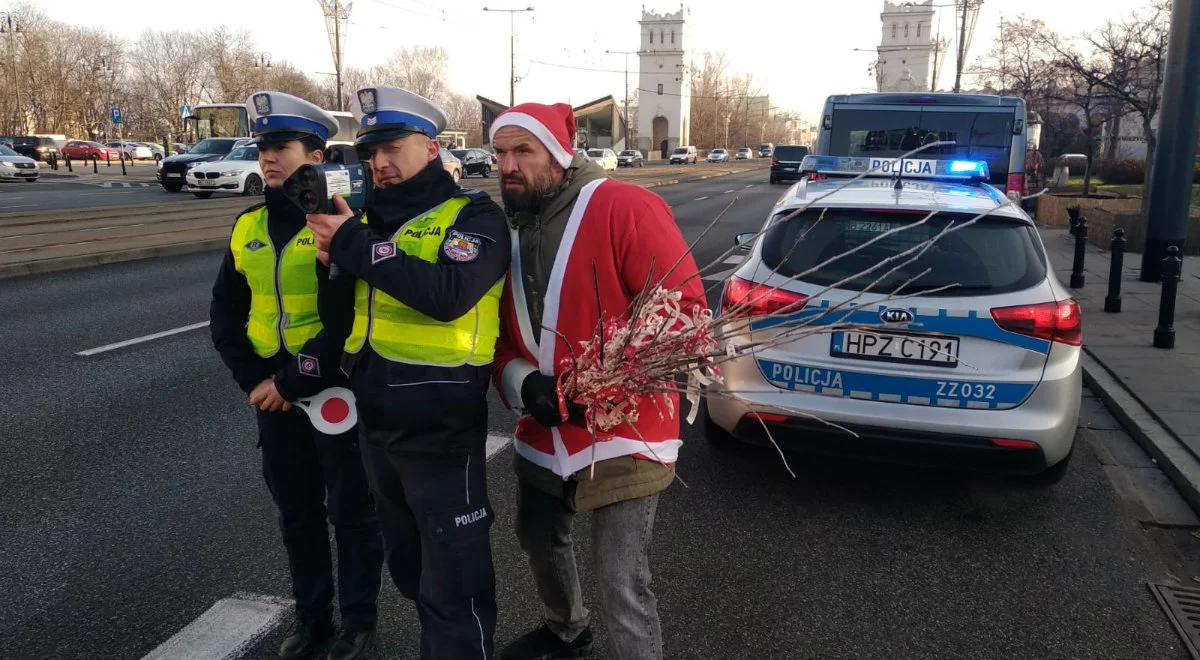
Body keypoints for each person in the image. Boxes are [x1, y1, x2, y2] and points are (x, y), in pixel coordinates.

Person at [488, 103, 705, 660]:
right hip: (545, 426)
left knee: (620, 580)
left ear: (559, 156)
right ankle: (567, 629)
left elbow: (681, 311)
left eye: (522, 152)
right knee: (538, 537)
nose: (507, 165)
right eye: (500, 153)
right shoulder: (509, 226)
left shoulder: (623, 206)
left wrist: (602, 383)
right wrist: (522, 383)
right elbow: (498, 334)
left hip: (625, 429)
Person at [305, 86, 511, 660]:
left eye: (392, 148)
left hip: (441, 429)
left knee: (455, 581)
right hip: (376, 425)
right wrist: (333, 266)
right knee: (411, 566)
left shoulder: (474, 215)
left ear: (431, 146)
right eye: (370, 152)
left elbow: (448, 295)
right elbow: (340, 318)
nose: (379, 163)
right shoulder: (367, 220)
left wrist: (353, 244)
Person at [209, 91, 384, 660]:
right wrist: (257, 383)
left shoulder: (341, 224)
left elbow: (347, 317)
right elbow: (226, 316)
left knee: (351, 512)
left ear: (315, 152)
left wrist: (291, 381)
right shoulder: (248, 225)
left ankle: (358, 622)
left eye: (281, 147)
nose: (269, 159)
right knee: (297, 513)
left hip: (332, 391)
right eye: (262, 149)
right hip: (273, 399)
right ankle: (313, 618)